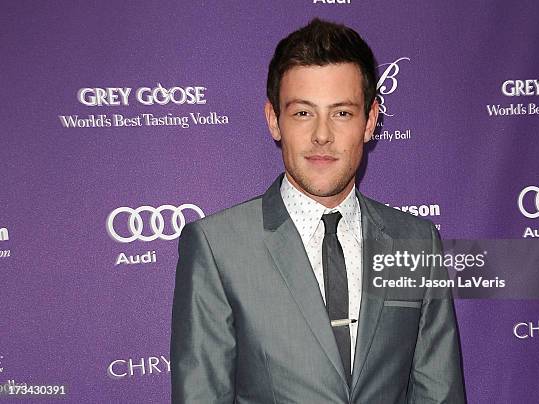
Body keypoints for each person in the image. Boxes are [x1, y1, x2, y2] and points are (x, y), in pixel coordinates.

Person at [171, 18, 465, 403]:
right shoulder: (217, 248)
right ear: (274, 120)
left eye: (341, 113)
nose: (322, 135)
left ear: (370, 121)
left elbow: (439, 394)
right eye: (303, 113)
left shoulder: (415, 241)